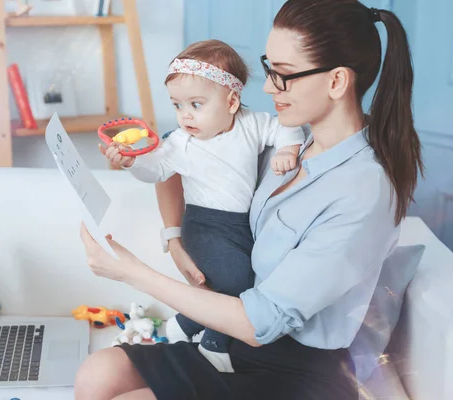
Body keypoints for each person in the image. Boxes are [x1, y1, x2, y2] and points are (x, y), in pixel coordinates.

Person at [77, 0, 424, 399]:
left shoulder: (363, 189)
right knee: (97, 373)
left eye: (284, 75)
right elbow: (179, 158)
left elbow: (262, 324)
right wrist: (174, 238)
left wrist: (133, 272)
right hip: (242, 345)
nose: (266, 87)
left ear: (336, 82)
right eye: (268, 67)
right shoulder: (290, 142)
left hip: (297, 371)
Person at [100, 39, 305, 373]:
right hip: (203, 225)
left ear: (232, 101)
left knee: (246, 280)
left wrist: (287, 150)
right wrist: (130, 163)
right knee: (238, 284)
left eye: (196, 104)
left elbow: (286, 127)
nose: (185, 116)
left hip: (241, 226)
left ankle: (183, 324)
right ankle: (213, 342)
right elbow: (156, 170)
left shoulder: (252, 125)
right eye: (178, 105)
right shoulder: (180, 143)